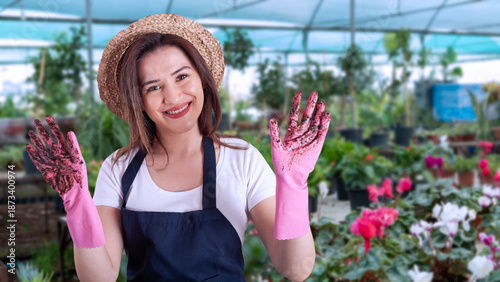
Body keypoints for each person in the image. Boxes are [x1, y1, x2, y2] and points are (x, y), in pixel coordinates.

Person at [26, 14, 331, 281]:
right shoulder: (118, 169)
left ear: (202, 80)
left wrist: (293, 184)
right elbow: (100, 277)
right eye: (153, 87)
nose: (172, 97)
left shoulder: (242, 159)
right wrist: (76, 199)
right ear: (140, 102)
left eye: (182, 76)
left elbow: (296, 268)